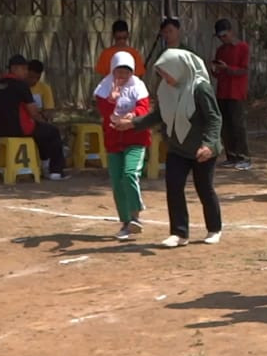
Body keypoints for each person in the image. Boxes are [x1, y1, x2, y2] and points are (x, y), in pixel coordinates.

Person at [115, 49, 223, 248]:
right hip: (177, 147)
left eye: (167, 73)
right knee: (173, 186)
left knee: (204, 188)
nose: (164, 78)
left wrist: (208, 144)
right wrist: (133, 123)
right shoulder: (165, 89)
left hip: (202, 149)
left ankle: (214, 228)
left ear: (179, 69)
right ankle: (179, 233)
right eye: (161, 74)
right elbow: (159, 115)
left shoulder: (200, 88)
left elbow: (214, 119)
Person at [95, 51, 151, 241]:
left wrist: (133, 114)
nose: (123, 75)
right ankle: (126, 222)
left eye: (127, 71)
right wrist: (111, 99)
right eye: (119, 70)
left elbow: (144, 107)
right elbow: (104, 112)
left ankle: (136, 216)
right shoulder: (104, 87)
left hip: (135, 138)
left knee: (129, 174)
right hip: (113, 140)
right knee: (117, 181)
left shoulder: (138, 86)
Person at [0, 55, 69, 181]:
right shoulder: (21, 85)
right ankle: (55, 171)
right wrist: (42, 121)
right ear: (14, 69)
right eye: (24, 69)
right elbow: (33, 112)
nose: (26, 72)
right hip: (20, 129)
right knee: (52, 132)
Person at [210, 18, 252, 170]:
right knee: (225, 125)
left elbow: (244, 70)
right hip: (223, 91)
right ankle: (231, 155)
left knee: (238, 125)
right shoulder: (221, 50)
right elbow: (219, 75)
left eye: (224, 35)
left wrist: (228, 68)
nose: (223, 39)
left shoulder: (242, 47)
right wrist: (215, 70)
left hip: (236, 92)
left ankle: (244, 156)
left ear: (231, 32)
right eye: (220, 37)